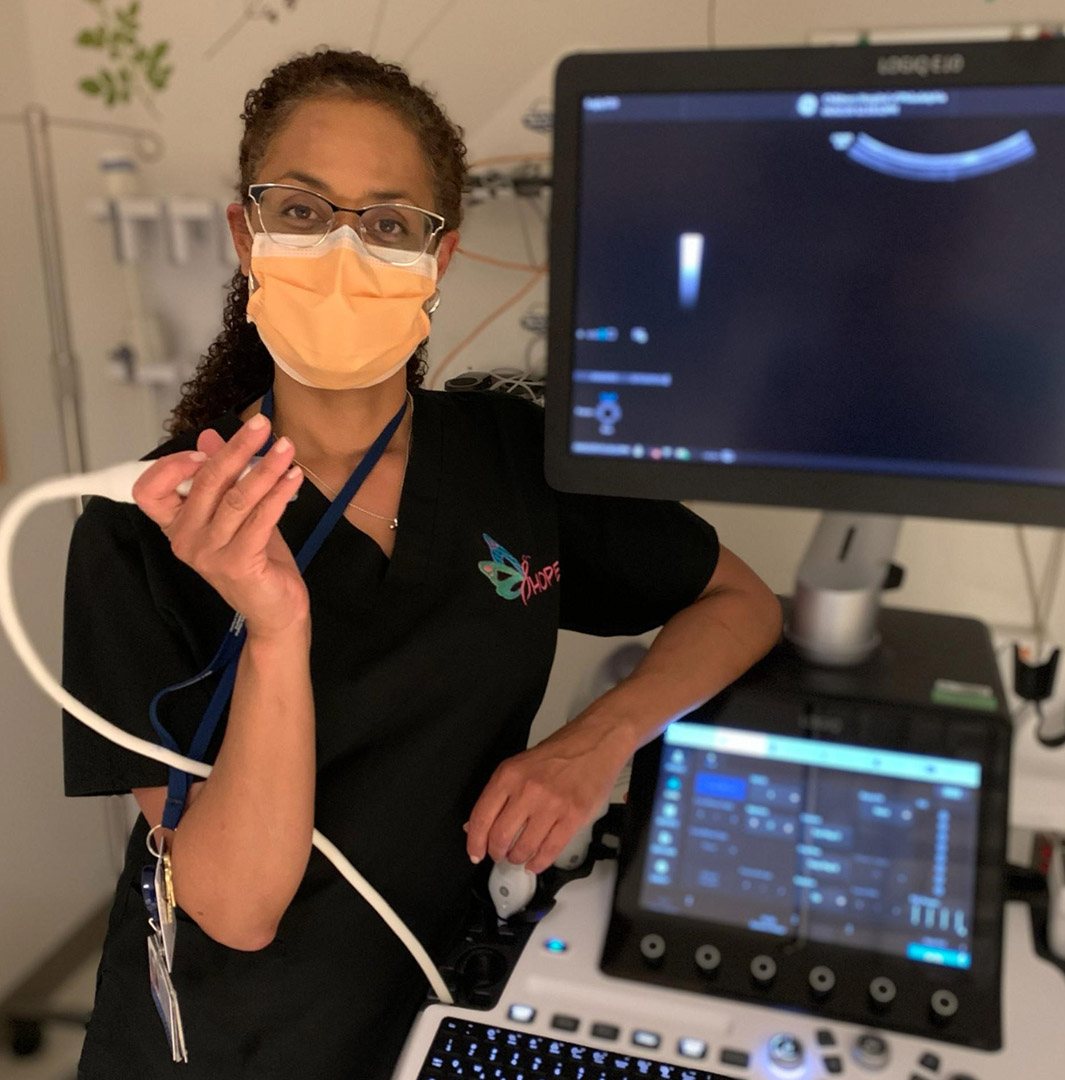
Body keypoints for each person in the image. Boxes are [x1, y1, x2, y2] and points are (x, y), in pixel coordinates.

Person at [61, 48, 782, 1080]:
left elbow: (738, 600)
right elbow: (236, 907)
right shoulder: (149, 526)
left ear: (437, 262)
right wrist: (274, 626)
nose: (347, 249)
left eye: (389, 222)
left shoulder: (511, 458)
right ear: (247, 235)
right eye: (303, 212)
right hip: (228, 1047)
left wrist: (595, 745)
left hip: (444, 1012)